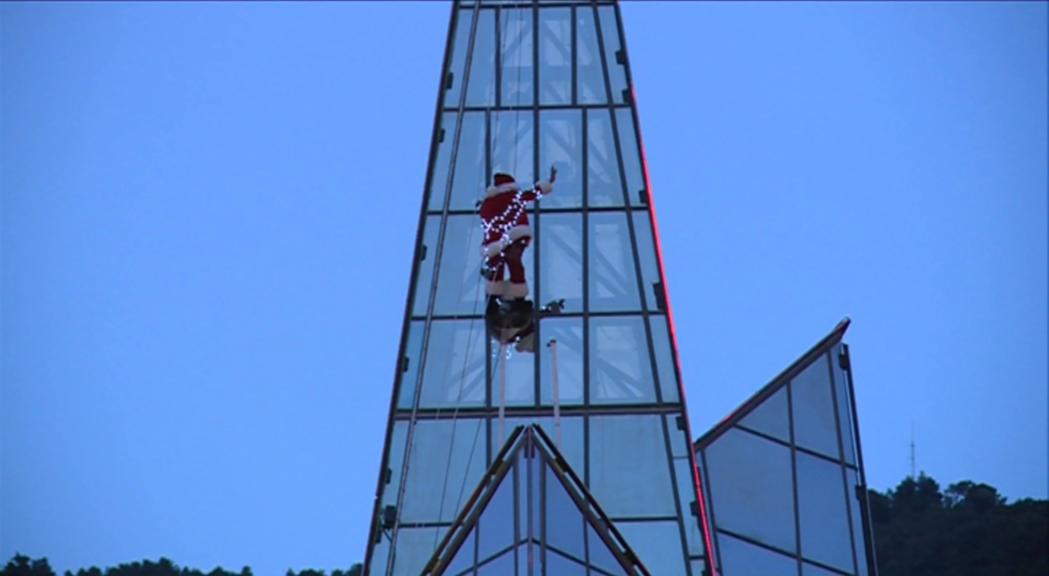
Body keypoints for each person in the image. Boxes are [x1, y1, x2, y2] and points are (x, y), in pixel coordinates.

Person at [479, 166, 556, 314]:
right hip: (516, 236)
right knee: (515, 264)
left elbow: (486, 223)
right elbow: (534, 193)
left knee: (497, 266)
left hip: (494, 243)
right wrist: (549, 183)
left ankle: (493, 298)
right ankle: (519, 298)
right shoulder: (514, 196)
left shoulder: (486, 204)